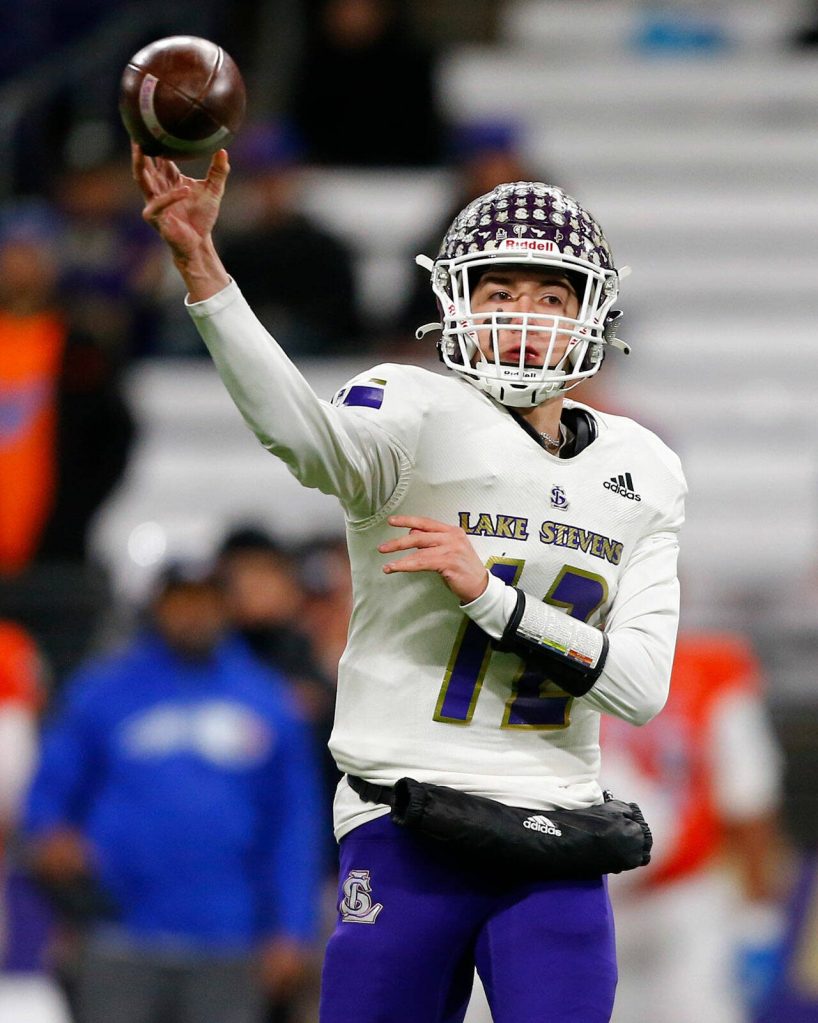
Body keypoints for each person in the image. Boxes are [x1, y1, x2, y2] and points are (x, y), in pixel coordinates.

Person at [132, 144, 686, 1023]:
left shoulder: (642, 468)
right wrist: (204, 269)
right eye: (500, 293)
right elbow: (300, 436)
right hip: (407, 812)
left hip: (557, 822)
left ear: (591, 313)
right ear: (457, 303)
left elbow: (639, 685)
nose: (525, 318)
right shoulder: (410, 408)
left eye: (550, 297)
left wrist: (491, 596)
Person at [22, 561, 324, 1023]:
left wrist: (291, 928)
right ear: (158, 606)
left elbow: (293, 825)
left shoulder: (266, 701)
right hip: (119, 930)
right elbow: (51, 789)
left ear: (225, 607)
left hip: (230, 938)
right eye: (181, 600)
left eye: (205, 600)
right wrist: (50, 835)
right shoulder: (105, 690)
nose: (193, 614)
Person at [600, 630, 788, 1023]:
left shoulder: (710, 668)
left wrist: (759, 917)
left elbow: (749, 800)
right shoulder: (555, 658)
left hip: (682, 893)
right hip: (590, 894)